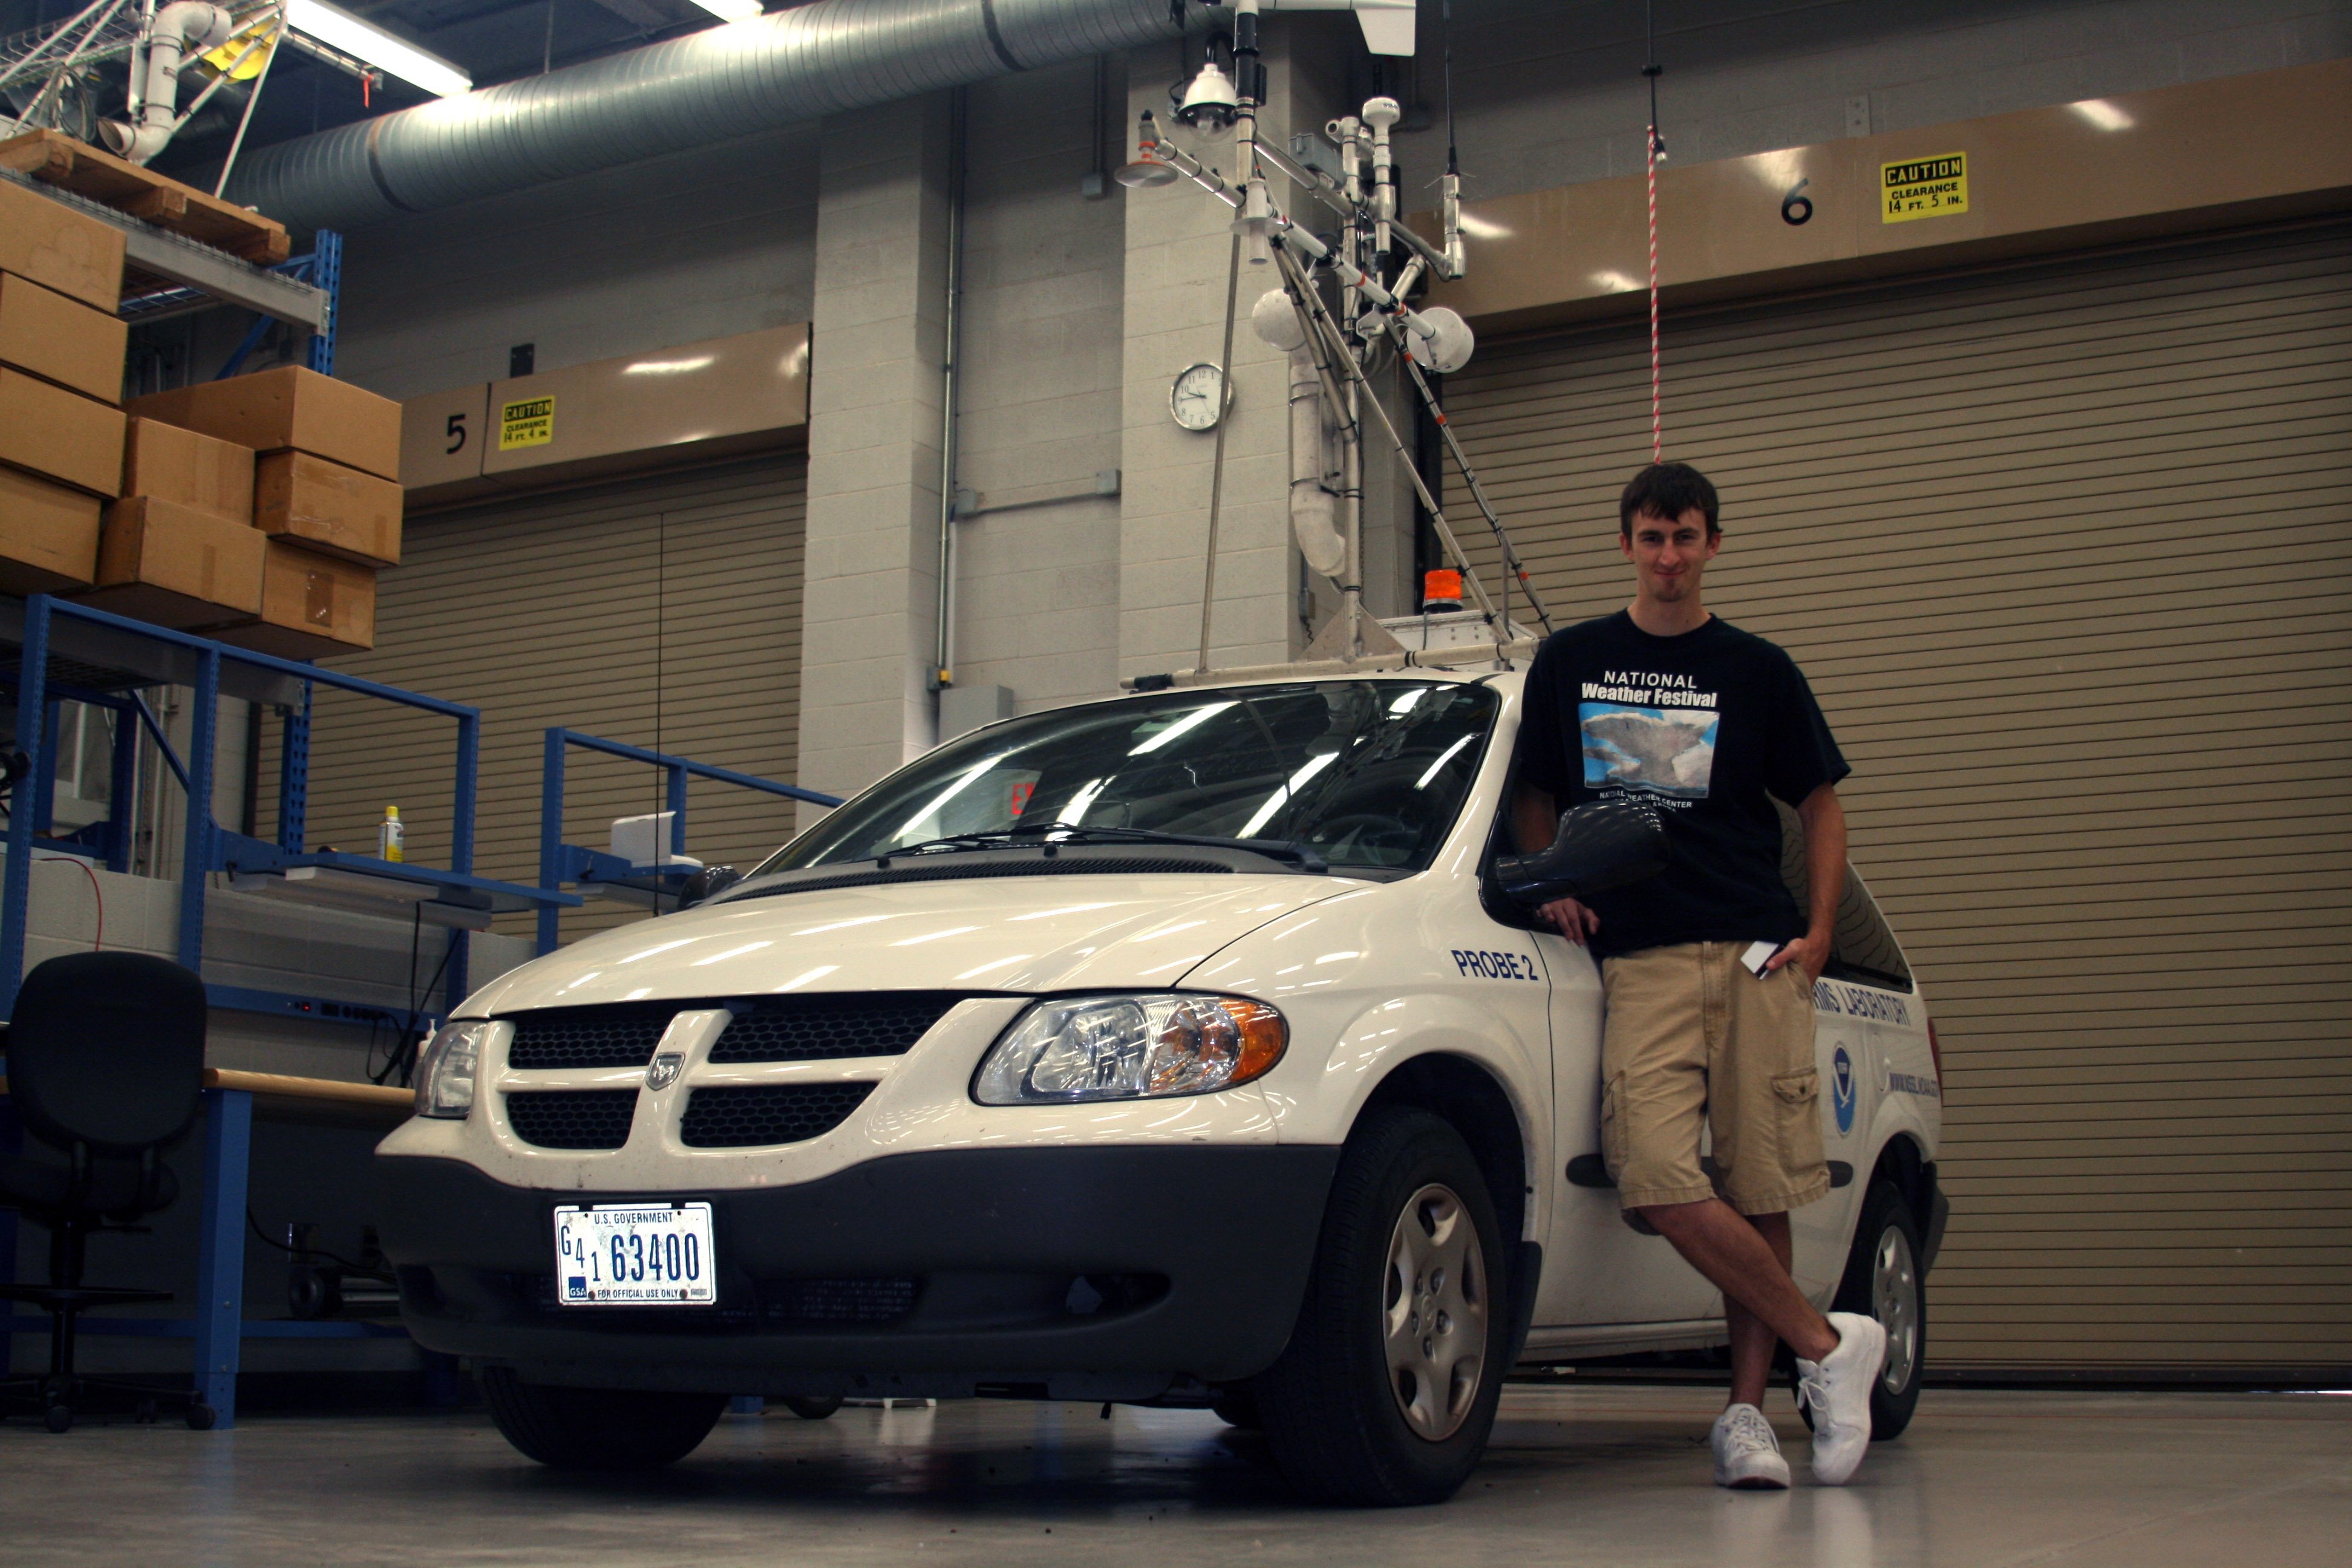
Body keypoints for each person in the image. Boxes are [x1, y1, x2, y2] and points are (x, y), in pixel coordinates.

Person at [1511, 462, 1888, 1490]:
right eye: (1651, 537)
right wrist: (1553, 881)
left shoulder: (1758, 669)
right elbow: (1534, 792)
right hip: (1641, 959)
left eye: (1685, 537)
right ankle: (1828, 1345)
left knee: (1761, 1185)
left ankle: (1746, 1417)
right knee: (1657, 1177)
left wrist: (1819, 933)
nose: (1668, 556)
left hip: (1758, 954)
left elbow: (1821, 806)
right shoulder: (1573, 660)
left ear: (1713, 543)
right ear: (1625, 544)